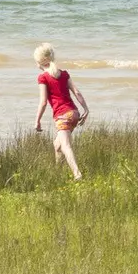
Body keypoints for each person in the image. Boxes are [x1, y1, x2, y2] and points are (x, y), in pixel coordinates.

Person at [31, 43, 90, 180]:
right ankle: (58, 175)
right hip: (74, 114)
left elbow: (43, 102)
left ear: (39, 62)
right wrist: (86, 109)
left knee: (65, 146)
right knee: (57, 145)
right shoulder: (63, 74)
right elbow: (76, 92)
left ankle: (77, 174)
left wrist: (37, 121)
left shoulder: (43, 77)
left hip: (63, 116)